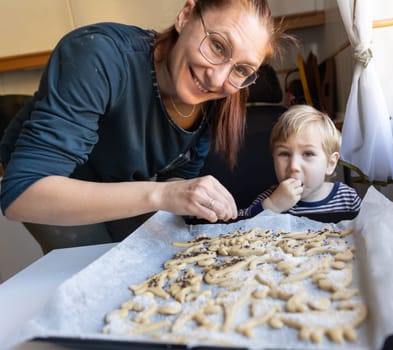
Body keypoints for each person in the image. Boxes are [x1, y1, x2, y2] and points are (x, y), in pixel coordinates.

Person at [0, 0, 295, 248]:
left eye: (242, 69)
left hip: (121, 180)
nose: (217, 79)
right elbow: (23, 194)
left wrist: (188, 192)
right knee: (92, 264)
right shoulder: (98, 55)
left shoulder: (220, 98)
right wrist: (163, 195)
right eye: (217, 46)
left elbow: (177, 175)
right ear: (186, 15)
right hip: (51, 186)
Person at [239, 104, 362, 218]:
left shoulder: (347, 198)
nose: (294, 166)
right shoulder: (270, 199)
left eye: (308, 154)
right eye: (284, 154)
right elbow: (237, 227)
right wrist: (273, 206)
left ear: (330, 164)